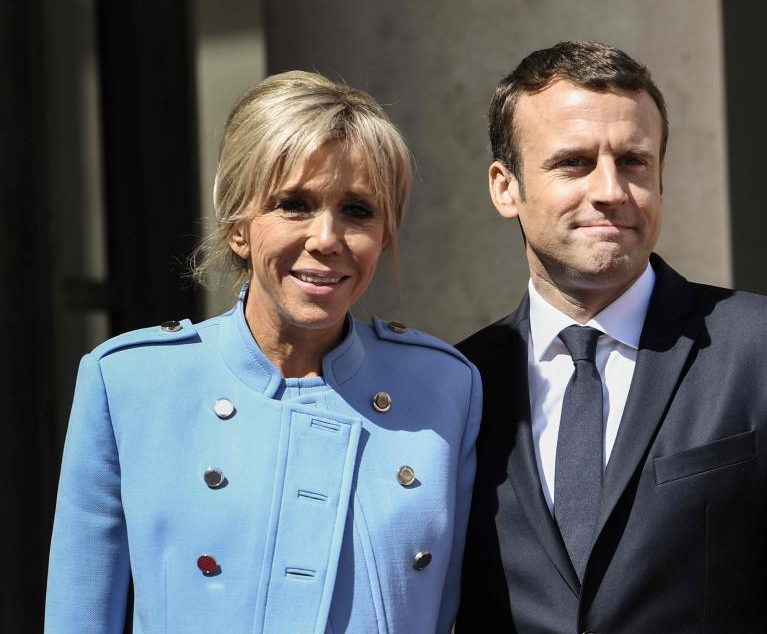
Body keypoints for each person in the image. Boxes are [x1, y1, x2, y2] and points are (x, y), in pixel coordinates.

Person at [456, 41, 767, 633]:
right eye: (574, 163)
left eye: (634, 161)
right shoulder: (461, 381)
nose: (611, 190)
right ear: (505, 187)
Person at [45, 71, 481, 633]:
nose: (327, 238)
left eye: (358, 210)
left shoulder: (446, 387)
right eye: (293, 204)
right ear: (237, 227)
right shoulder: (130, 382)